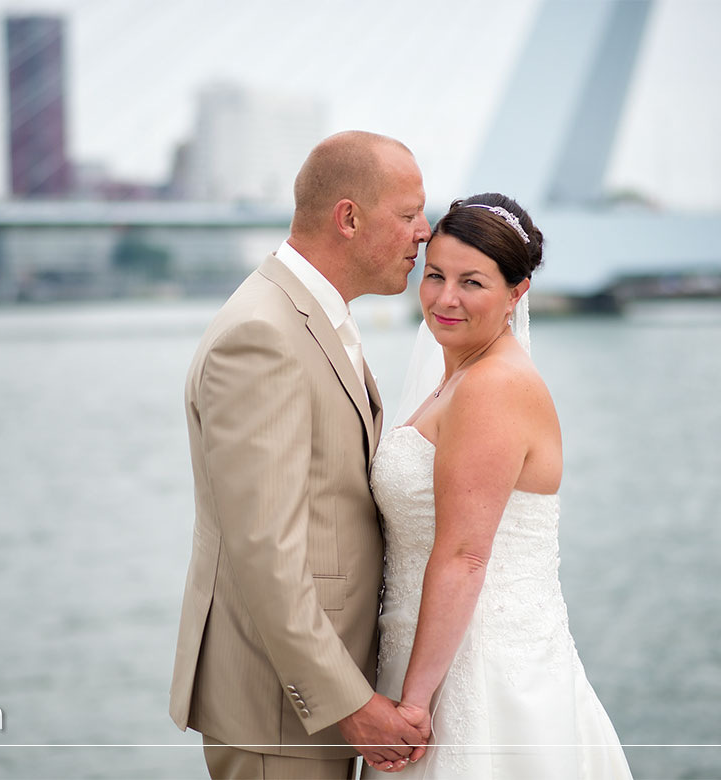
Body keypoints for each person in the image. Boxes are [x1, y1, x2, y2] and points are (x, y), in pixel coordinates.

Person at [169, 131, 434, 779]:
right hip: (280, 713)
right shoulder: (263, 334)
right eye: (407, 215)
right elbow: (264, 551)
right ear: (348, 218)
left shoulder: (312, 316)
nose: (424, 232)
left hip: (314, 705)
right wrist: (349, 703)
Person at [368, 195, 634, 777]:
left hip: (476, 671)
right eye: (435, 275)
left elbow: (465, 555)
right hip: (428, 652)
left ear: (517, 294)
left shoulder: (494, 387)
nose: (445, 298)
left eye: (473, 282)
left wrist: (414, 703)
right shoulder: (457, 379)